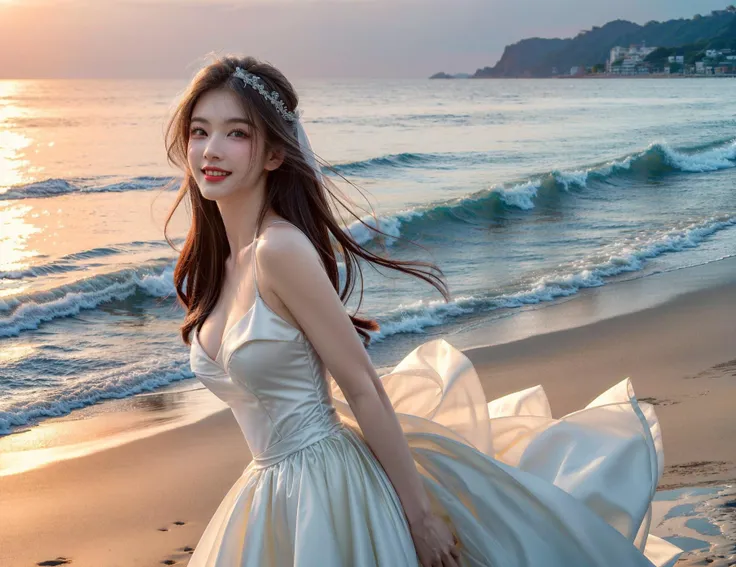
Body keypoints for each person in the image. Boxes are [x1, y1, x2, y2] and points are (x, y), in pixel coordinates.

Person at [163, 55, 683, 567]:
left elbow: (363, 386)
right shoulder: (226, 262)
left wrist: (419, 517)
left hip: (327, 487)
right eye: (199, 131)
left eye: (237, 133)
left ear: (275, 154)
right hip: (270, 489)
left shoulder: (280, 250)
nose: (211, 149)